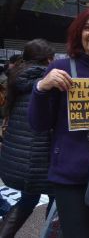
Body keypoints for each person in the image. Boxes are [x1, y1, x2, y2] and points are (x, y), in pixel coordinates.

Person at [27, 8, 89, 238]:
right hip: (71, 178)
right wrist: (41, 88)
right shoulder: (59, 70)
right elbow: (38, 124)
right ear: (79, 33)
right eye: (88, 27)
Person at [0, 39, 55, 237]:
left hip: (18, 159)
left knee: (28, 200)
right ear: (49, 59)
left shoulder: (16, 79)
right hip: (42, 158)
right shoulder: (48, 82)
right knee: (56, 199)